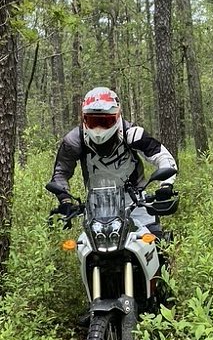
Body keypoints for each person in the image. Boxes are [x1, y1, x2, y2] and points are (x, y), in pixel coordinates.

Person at [48, 86, 178, 232]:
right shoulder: (74, 140)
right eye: (92, 121)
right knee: (85, 249)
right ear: (84, 118)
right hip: (97, 205)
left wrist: (166, 186)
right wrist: (65, 200)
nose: (98, 129)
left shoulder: (133, 134)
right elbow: (60, 173)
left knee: (154, 243)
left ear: (117, 116)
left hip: (136, 202)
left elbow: (163, 157)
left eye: (105, 122)